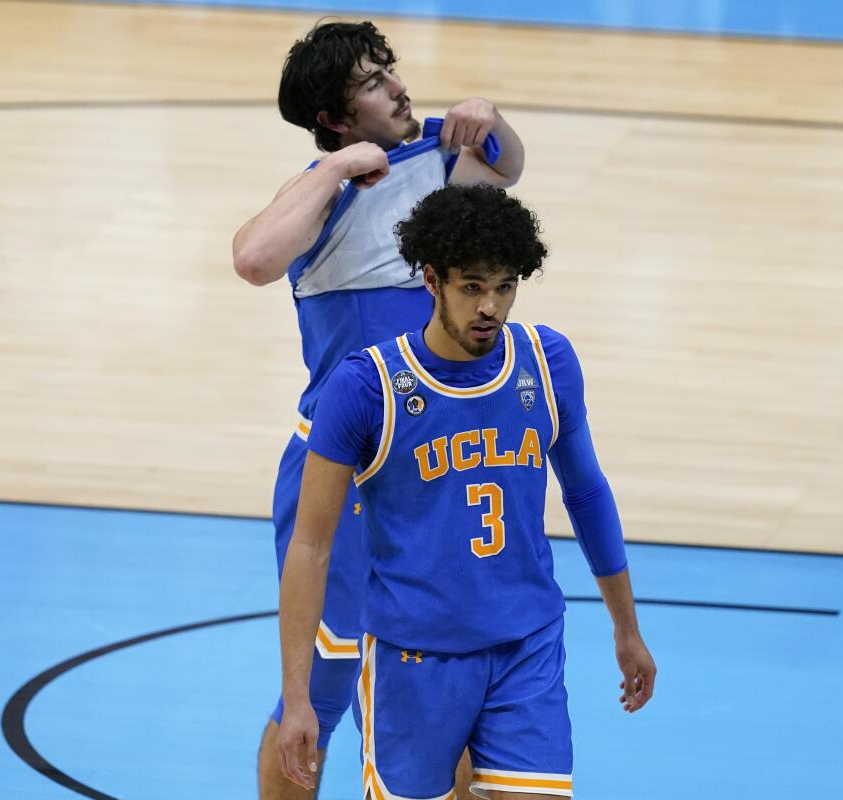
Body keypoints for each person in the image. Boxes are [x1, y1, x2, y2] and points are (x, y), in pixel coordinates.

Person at [276, 184, 656, 799]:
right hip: (413, 659)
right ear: (431, 279)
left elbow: (586, 495)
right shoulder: (365, 388)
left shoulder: (546, 360)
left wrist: (627, 628)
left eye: (504, 286)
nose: (490, 306)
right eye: (472, 286)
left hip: (525, 646)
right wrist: (299, 698)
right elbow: (311, 546)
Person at [231, 20, 527, 800]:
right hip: (344, 468)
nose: (397, 86)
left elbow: (508, 166)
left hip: (435, 466)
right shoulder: (317, 190)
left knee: (447, 689)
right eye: (371, 81)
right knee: (320, 696)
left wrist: (489, 117)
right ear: (333, 115)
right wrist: (335, 170)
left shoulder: (436, 157)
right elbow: (254, 259)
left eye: (389, 71)